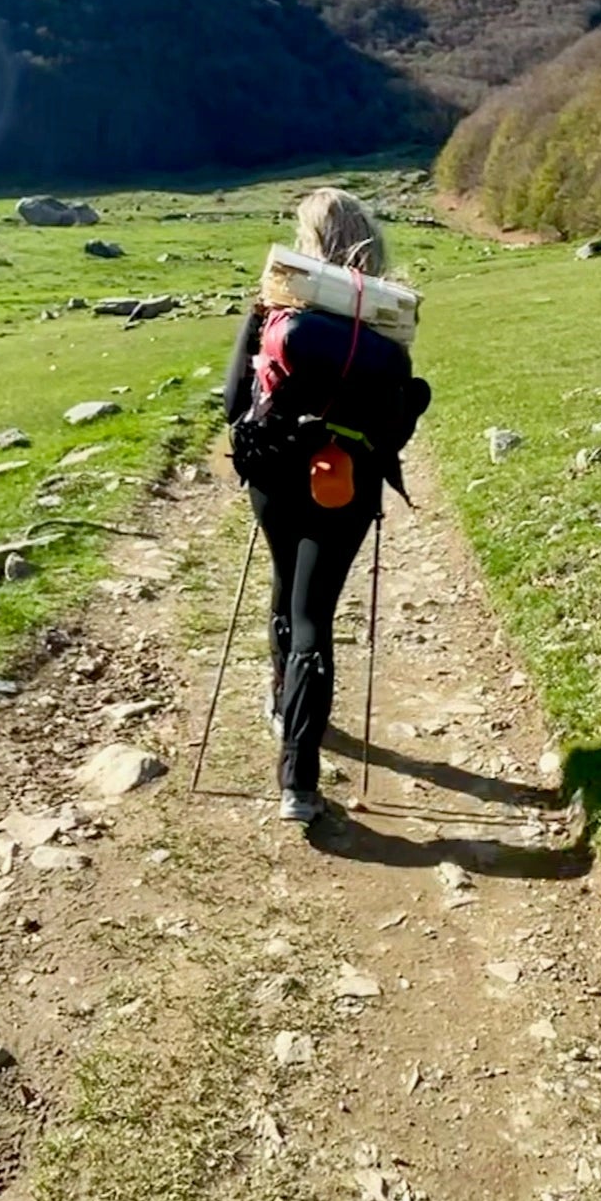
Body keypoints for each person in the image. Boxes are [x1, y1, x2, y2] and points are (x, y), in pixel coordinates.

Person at [224, 187, 431, 825]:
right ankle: (299, 781)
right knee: (316, 611)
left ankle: (282, 704)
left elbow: (235, 404)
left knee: (285, 584)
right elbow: (397, 422)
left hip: (277, 473)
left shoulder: (275, 304)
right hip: (348, 482)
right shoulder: (384, 317)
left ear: (306, 242)